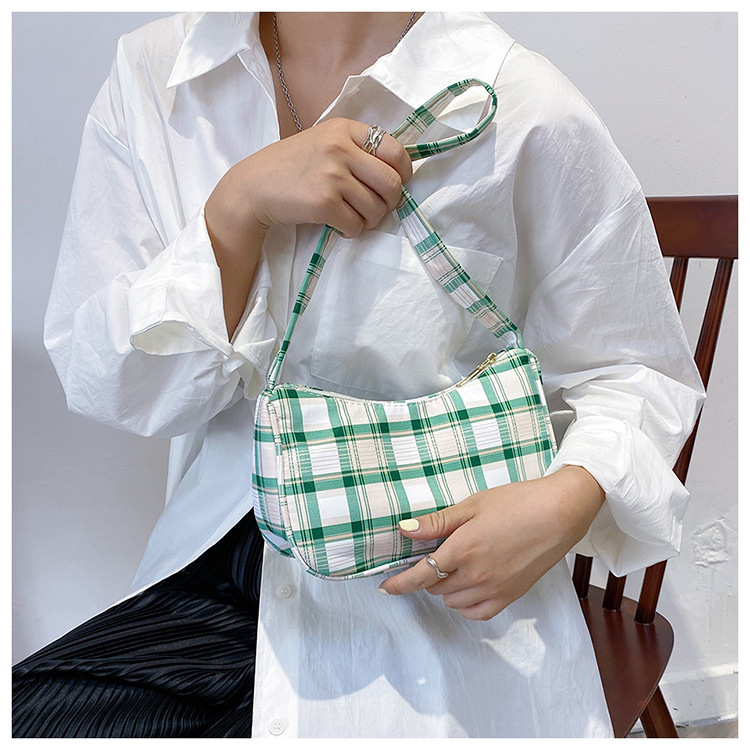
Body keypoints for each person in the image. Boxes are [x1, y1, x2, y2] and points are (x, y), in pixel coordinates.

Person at [13, 11, 705, 738]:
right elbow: (107, 381)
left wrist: (564, 503)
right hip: (216, 561)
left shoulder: (518, 101)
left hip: (445, 581)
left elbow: (636, 367)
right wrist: (236, 211)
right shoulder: (157, 76)